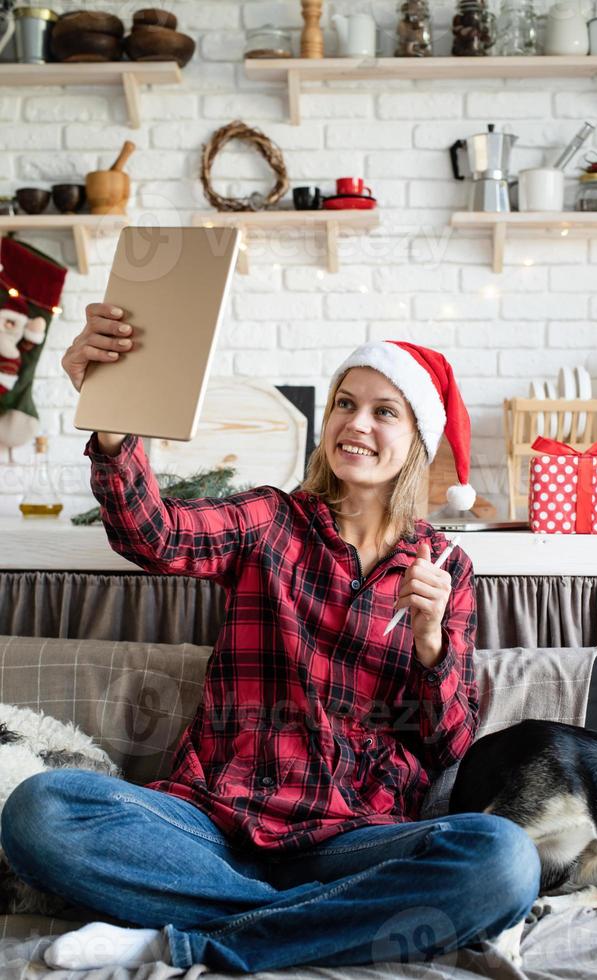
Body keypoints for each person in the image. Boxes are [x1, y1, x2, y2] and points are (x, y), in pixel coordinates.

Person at [0, 304, 541, 974]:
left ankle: (182, 938)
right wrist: (113, 429)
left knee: (505, 859)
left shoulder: (445, 569)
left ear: (418, 439)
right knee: (39, 810)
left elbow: (448, 746)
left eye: (384, 411)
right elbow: (155, 535)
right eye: (346, 402)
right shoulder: (270, 520)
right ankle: (321, 920)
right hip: (212, 829)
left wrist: (431, 643)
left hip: (351, 837)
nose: (357, 423)